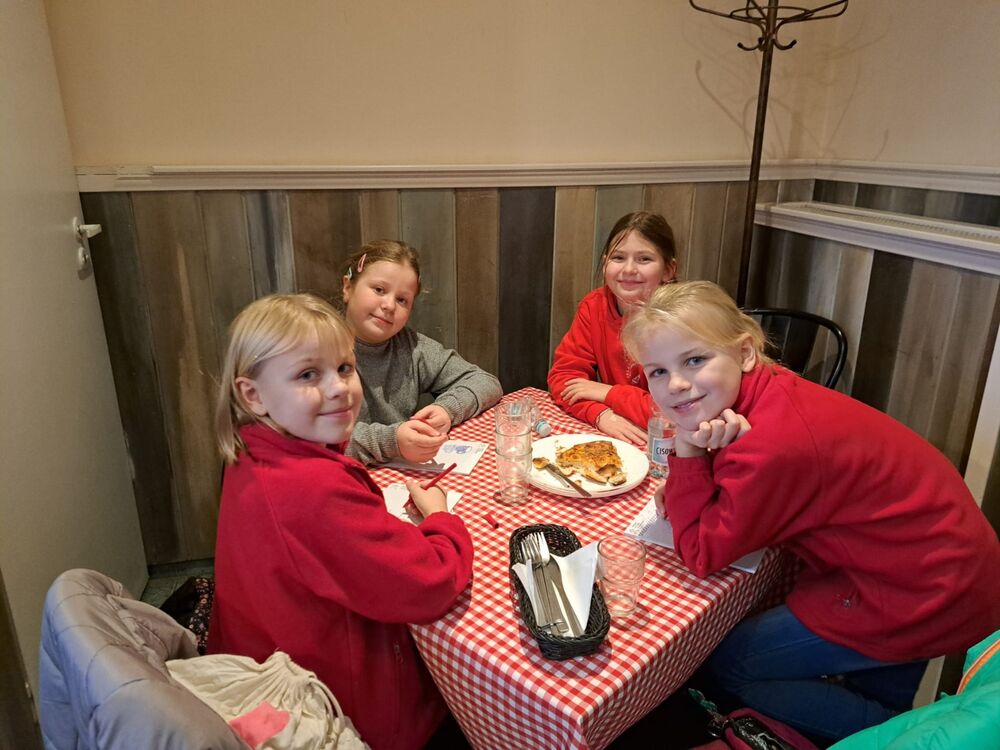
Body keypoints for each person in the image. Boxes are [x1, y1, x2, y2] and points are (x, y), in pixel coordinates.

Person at [621, 280, 1000, 743]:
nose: (676, 384)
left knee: (732, 665)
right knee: (872, 686)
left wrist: (688, 451)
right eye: (657, 371)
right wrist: (697, 470)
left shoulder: (769, 444)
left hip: (922, 586)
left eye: (695, 360)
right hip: (938, 557)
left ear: (745, 353)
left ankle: (895, 736)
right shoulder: (768, 388)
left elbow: (701, 554)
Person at [208, 293, 474, 750]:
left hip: (263, 674)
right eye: (308, 374)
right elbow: (429, 584)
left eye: (345, 368)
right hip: (335, 706)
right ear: (252, 395)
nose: (338, 389)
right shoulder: (312, 489)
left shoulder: (249, 450)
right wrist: (441, 518)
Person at [340, 239, 502, 465]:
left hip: (399, 475)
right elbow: (309, 439)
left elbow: (486, 381)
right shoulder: (316, 349)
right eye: (379, 290)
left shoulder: (412, 347)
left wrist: (446, 409)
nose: (389, 305)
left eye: (402, 300)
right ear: (348, 287)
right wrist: (392, 441)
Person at [547, 210, 678, 446]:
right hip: (620, 431)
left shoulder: (682, 318)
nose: (628, 269)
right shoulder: (594, 306)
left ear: (668, 270)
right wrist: (600, 414)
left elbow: (678, 410)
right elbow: (564, 378)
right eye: (618, 258)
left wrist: (608, 393)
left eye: (644, 259)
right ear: (606, 261)